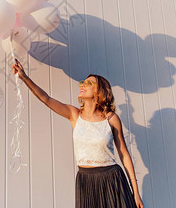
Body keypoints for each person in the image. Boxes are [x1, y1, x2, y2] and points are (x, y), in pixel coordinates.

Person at [11, 58, 144, 208]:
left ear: (99, 91)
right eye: (83, 82)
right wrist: (24, 77)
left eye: (89, 83)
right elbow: (45, 98)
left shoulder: (111, 119)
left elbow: (124, 154)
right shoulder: (74, 114)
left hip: (112, 179)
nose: (83, 85)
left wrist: (136, 191)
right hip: (85, 181)